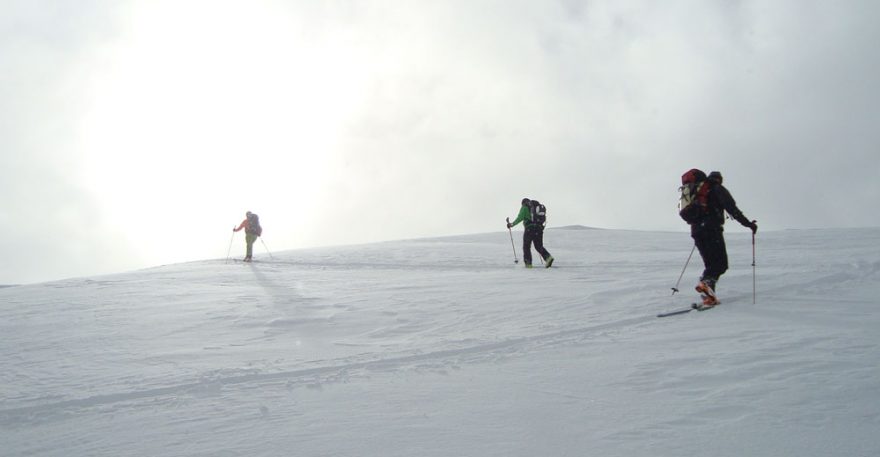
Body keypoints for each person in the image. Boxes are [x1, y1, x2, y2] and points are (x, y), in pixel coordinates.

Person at [686, 171, 757, 307]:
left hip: (696, 231)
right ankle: (706, 284)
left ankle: (709, 295)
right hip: (711, 229)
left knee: (711, 265)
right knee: (721, 264)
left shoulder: (697, 191)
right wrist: (749, 224)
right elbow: (732, 209)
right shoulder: (717, 189)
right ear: (719, 180)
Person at [507, 198, 554, 268]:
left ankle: (528, 264)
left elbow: (520, 217)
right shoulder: (537, 207)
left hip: (530, 228)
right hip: (539, 229)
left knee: (526, 246)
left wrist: (512, 224)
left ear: (523, 203)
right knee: (538, 246)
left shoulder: (525, 207)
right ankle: (548, 258)